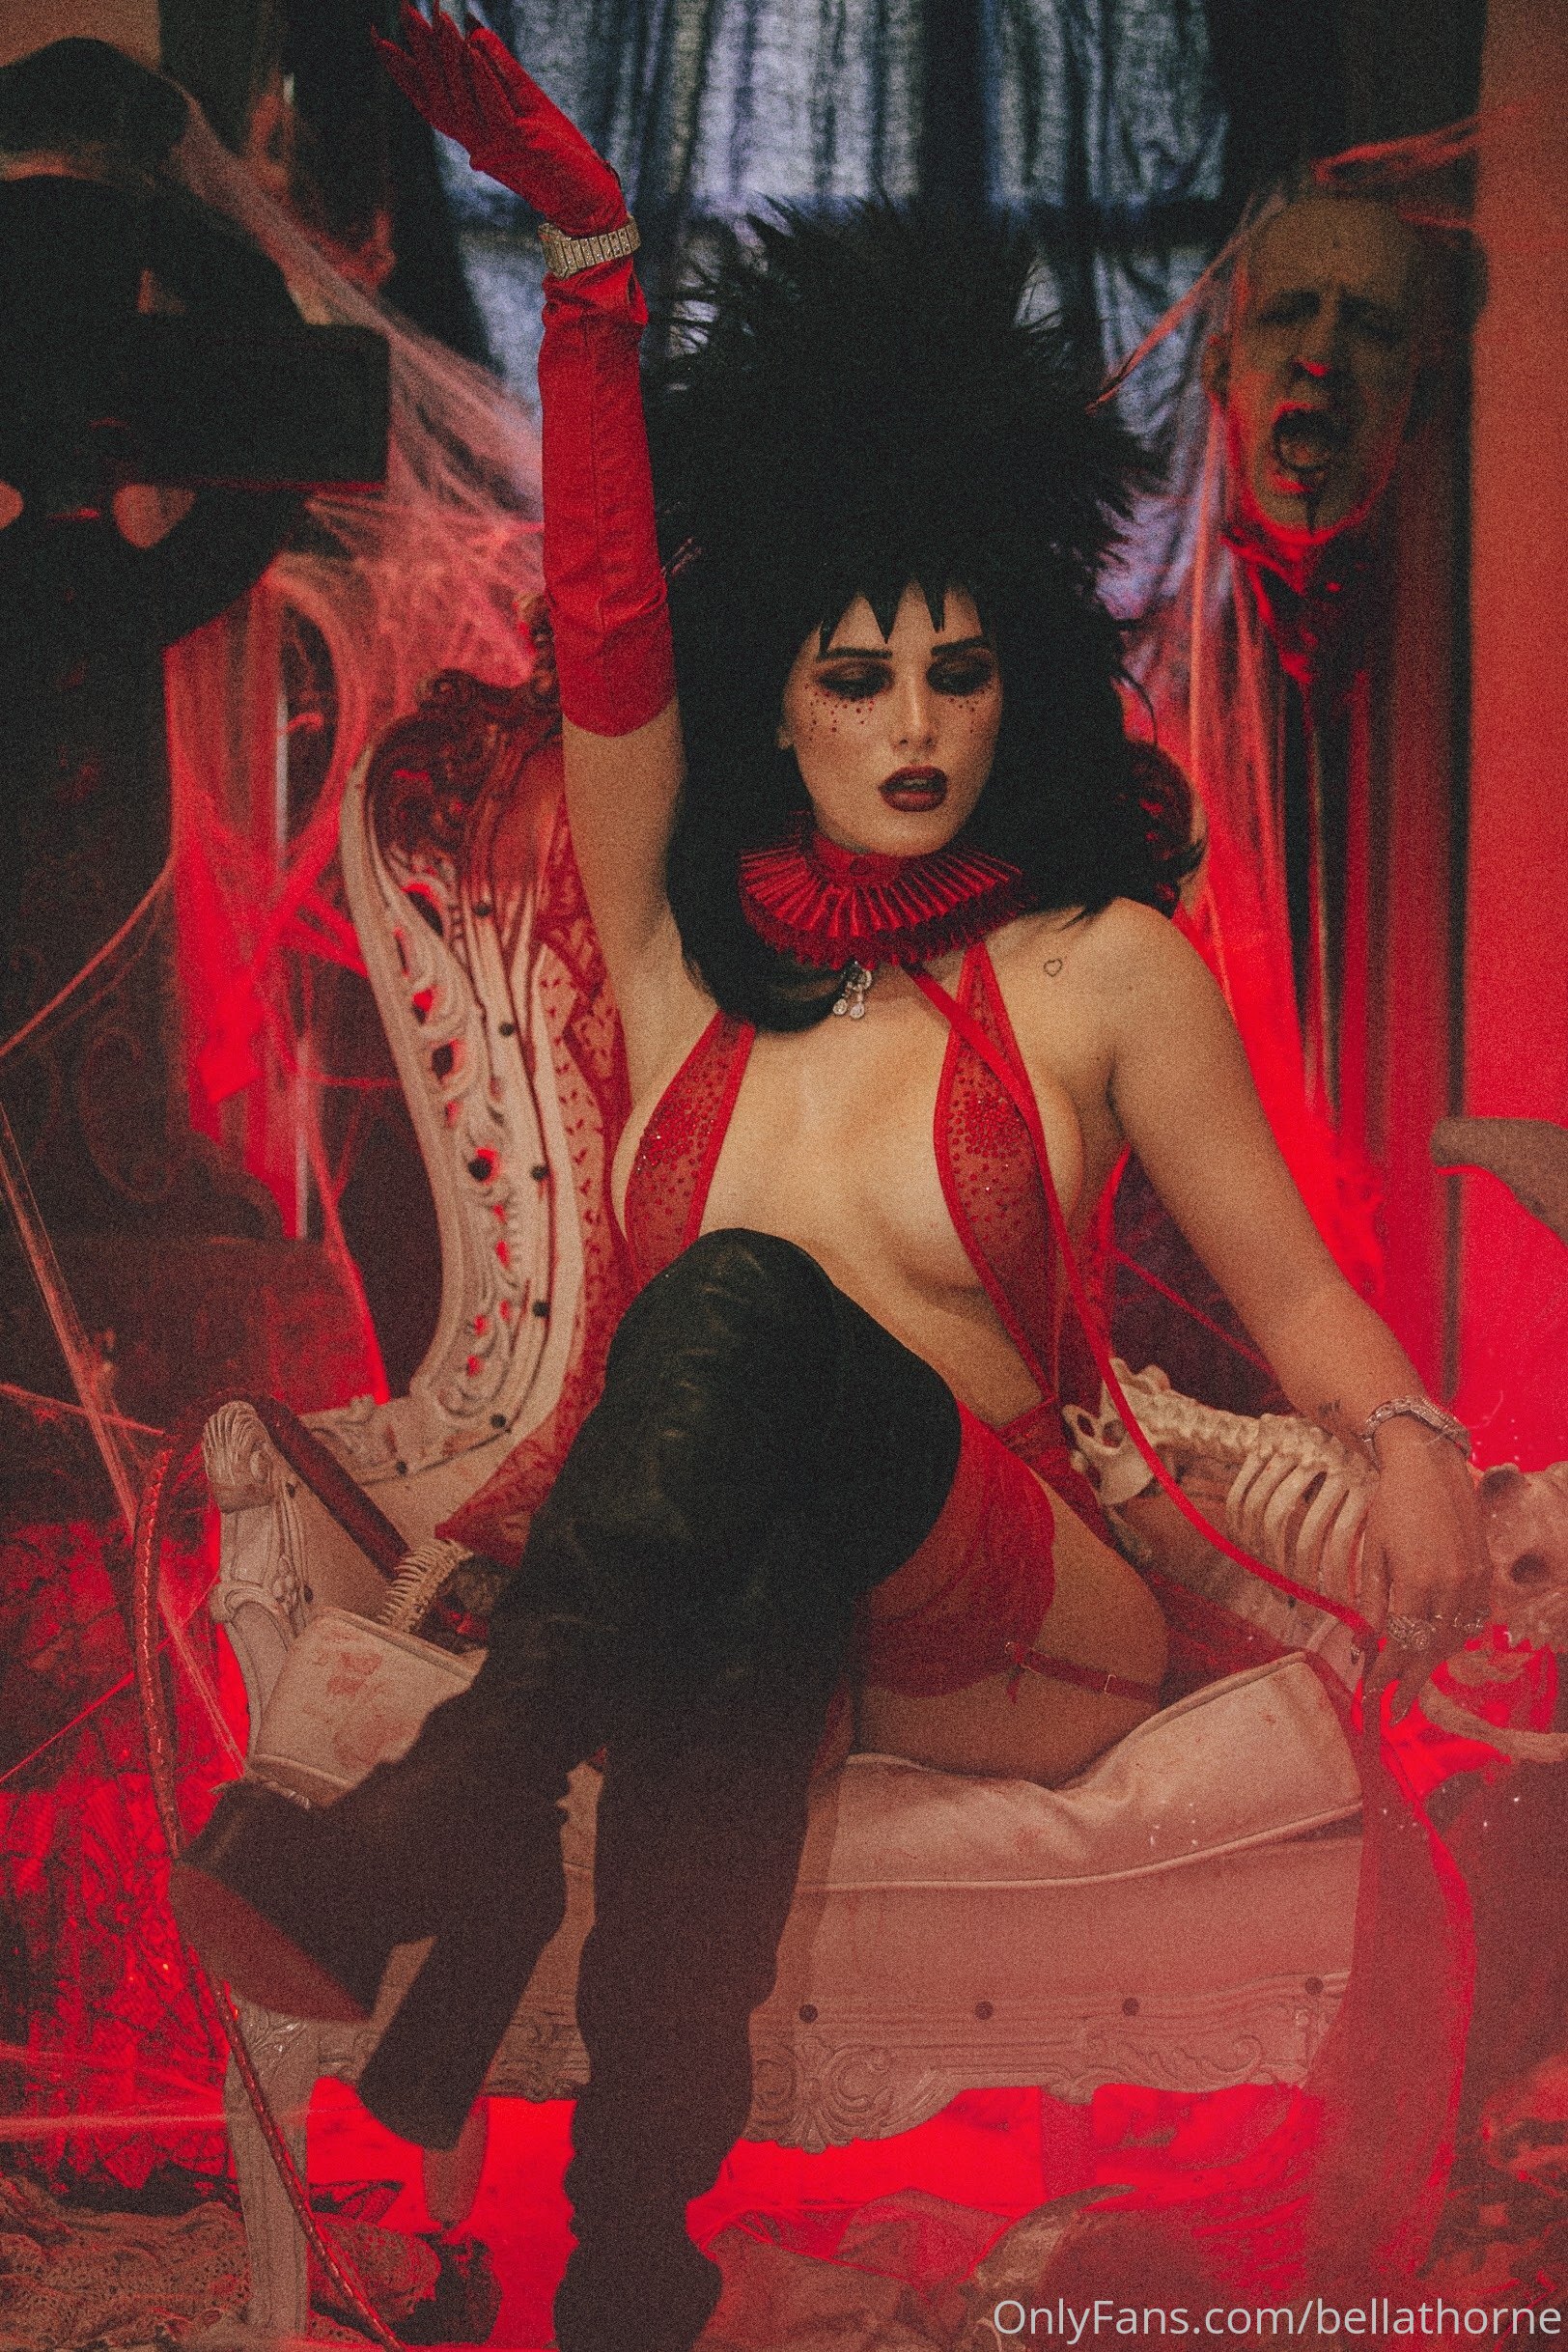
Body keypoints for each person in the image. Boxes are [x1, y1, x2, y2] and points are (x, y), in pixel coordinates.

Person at [170, 14, 1492, 2349]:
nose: (906, 724)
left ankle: (457, 1813)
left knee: (737, 1309)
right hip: (743, 1593)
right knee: (744, 1576)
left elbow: (1294, 1296)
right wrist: (591, 264)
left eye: (953, 675)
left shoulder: (1096, 967)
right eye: (854, 675)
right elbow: (605, 627)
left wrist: (1399, 1436)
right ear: (771, 699)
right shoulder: (676, 960)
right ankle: (631, 2270)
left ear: (1011, 690)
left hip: (1021, 1617)